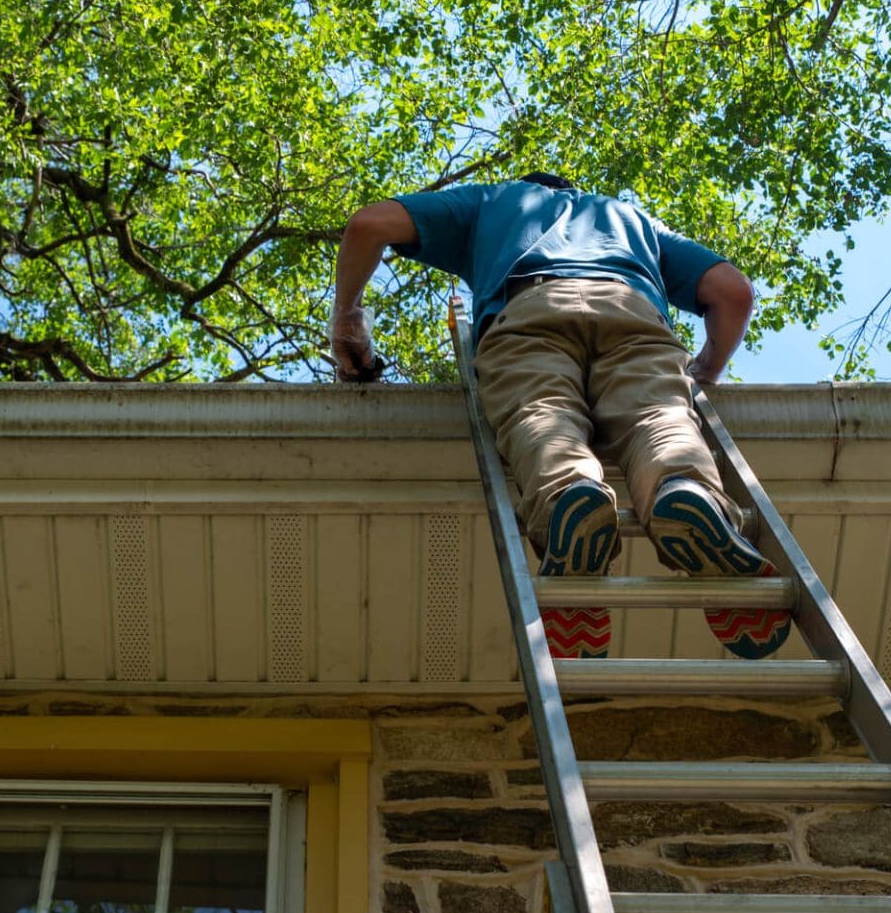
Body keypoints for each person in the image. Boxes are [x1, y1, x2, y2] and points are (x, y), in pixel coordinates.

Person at [329, 171, 789, 659]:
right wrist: (706, 368)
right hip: (633, 311)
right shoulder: (631, 219)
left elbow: (368, 225)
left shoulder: (494, 202)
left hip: (528, 312)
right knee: (661, 419)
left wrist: (347, 318)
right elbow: (733, 291)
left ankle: (571, 493)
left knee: (542, 414)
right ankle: (687, 491)